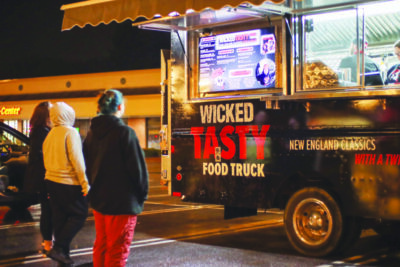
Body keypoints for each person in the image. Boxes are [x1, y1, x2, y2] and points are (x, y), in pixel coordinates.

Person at [83, 89, 149, 267]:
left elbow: (86, 167)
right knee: (117, 250)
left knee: (101, 246)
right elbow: (138, 172)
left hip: (99, 201)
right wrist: (141, 196)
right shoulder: (125, 133)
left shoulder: (91, 134)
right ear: (119, 107)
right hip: (122, 203)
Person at [43, 102, 90, 267]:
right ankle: (59, 248)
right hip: (68, 182)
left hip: (51, 181)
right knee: (79, 214)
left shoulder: (50, 134)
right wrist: (85, 184)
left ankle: (63, 259)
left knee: (60, 220)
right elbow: (77, 160)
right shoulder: (70, 133)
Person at [23, 101, 53, 254]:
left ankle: (47, 240)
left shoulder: (38, 131)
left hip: (41, 177)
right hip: (45, 178)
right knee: (48, 210)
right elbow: (43, 157)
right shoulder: (43, 133)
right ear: (45, 116)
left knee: (47, 210)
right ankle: (47, 241)